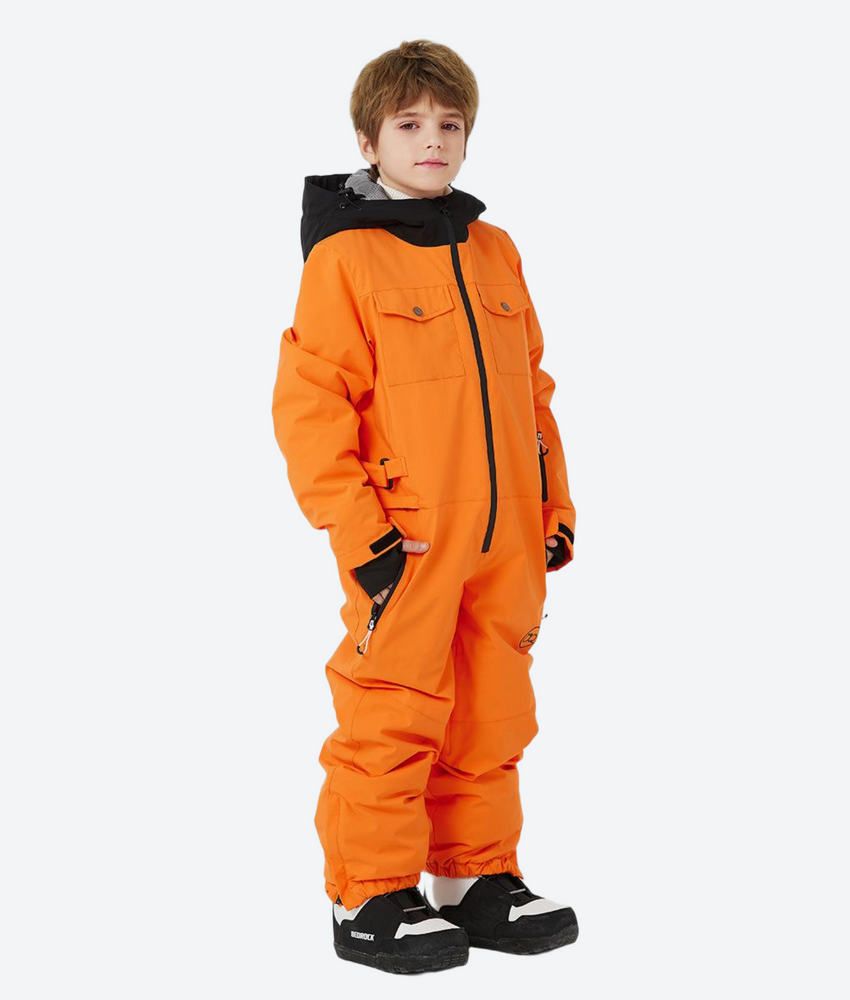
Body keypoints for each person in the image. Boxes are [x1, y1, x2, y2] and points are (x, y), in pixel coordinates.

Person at [272, 39, 578, 974]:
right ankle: (368, 894)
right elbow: (311, 406)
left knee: (492, 712)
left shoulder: (494, 250)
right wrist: (361, 532)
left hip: (504, 539)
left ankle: (474, 877)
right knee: (393, 710)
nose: (433, 140)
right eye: (409, 125)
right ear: (370, 142)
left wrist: (551, 507)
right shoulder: (345, 259)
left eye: (449, 124)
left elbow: (531, 395)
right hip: (407, 540)